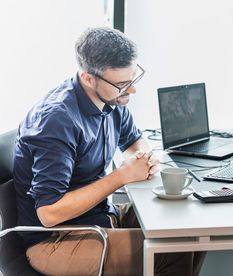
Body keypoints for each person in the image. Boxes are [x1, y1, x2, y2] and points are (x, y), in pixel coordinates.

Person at [13, 27, 205, 276]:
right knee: (173, 249)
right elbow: (49, 213)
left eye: (134, 78)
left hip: (100, 216)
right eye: (123, 84)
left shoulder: (111, 99)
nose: (132, 90)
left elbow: (134, 141)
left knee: (192, 232)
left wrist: (141, 158)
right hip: (55, 240)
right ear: (88, 78)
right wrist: (122, 176)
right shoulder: (57, 121)